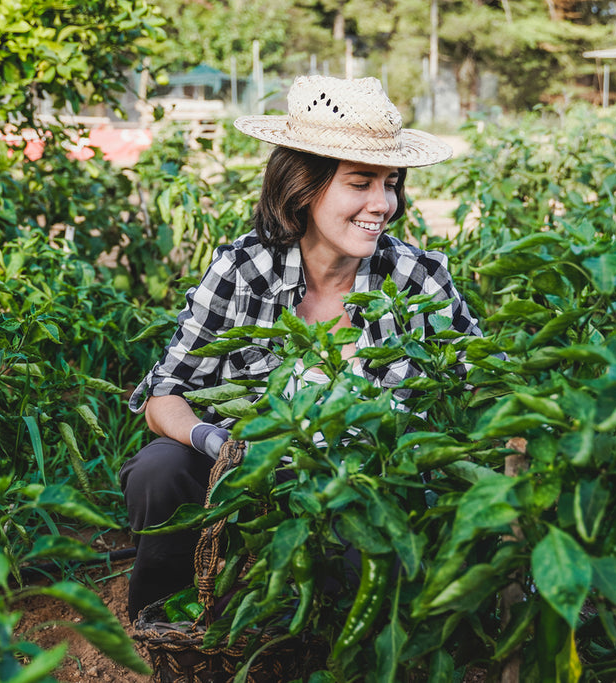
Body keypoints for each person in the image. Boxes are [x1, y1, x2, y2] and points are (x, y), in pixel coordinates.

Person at [120, 74, 486, 620]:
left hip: (361, 483)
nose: (381, 203)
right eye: (360, 183)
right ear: (303, 187)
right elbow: (164, 394)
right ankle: (171, 625)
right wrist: (212, 439)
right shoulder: (245, 272)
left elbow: (484, 378)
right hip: (247, 473)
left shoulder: (415, 276)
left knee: (349, 574)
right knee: (161, 469)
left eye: (390, 183)